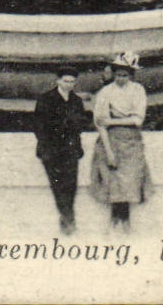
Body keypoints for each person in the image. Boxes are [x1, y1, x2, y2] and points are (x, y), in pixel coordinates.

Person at [90, 52, 151, 231]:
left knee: (130, 181)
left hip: (132, 141)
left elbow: (138, 120)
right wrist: (109, 151)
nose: (121, 79)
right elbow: (100, 123)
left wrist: (112, 121)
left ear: (131, 75)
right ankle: (115, 222)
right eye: (118, 75)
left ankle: (125, 222)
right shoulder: (106, 92)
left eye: (125, 75)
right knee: (114, 182)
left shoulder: (138, 90)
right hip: (111, 140)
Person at [34, 66, 92, 234]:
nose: (69, 85)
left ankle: (68, 216)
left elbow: (80, 123)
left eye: (72, 82)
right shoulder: (46, 99)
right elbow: (38, 125)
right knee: (57, 185)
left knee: (71, 184)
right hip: (51, 150)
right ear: (58, 81)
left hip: (70, 149)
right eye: (66, 81)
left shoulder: (76, 101)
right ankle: (66, 217)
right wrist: (47, 146)